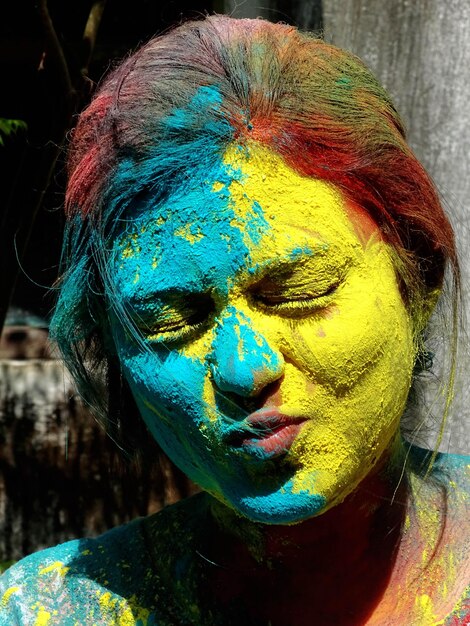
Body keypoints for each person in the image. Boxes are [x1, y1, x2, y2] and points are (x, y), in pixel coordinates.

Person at [0, 14, 468, 626]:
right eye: (169, 320)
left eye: (299, 291)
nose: (244, 371)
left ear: (418, 278)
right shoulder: (49, 612)